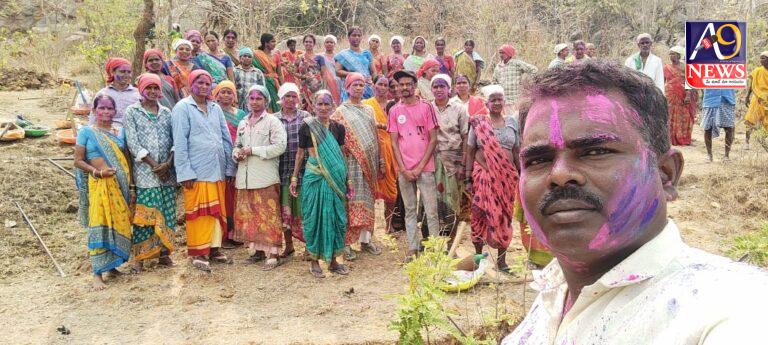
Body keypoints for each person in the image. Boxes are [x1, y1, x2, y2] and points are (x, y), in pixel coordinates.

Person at [503, 59, 768, 344]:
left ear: (666, 174)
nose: (559, 175)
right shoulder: (553, 292)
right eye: (539, 159)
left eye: (595, 152)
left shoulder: (732, 308)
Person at [172, 70, 235, 272]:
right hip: (196, 172)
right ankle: (199, 252)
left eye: (208, 83)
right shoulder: (183, 107)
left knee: (217, 211)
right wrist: (185, 172)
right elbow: (180, 143)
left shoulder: (215, 107)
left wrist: (229, 167)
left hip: (217, 169)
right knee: (199, 214)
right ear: (191, 84)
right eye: (200, 82)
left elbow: (226, 137)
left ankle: (214, 249)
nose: (204, 86)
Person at [289, 90, 350, 278]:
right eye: (319, 104)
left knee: (335, 217)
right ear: (313, 106)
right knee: (313, 217)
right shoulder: (307, 126)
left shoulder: (339, 128)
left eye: (327, 104)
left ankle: (332, 261)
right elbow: (300, 153)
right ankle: (314, 260)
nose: (323, 108)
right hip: (314, 175)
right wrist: (293, 177)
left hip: (335, 177)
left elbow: (340, 154)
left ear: (333, 106)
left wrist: (347, 179)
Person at [74, 94, 131, 290]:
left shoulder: (120, 131)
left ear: (115, 111)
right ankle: (97, 274)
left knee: (118, 223)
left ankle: (113, 266)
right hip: (99, 184)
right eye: (101, 108)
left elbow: (125, 158)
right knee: (99, 224)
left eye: (109, 108)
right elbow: (78, 161)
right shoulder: (87, 132)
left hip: (119, 184)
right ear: (94, 111)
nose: (105, 112)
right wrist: (98, 172)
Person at [123, 74, 176, 272]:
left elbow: (174, 140)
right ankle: (140, 257)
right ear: (141, 90)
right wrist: (156, 165)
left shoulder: (166, 113)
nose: (153, 92)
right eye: (149, 88)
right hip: (146, 173)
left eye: (156, 88)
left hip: (167, 173)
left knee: (167, 214)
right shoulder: (132, 112)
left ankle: (164, 254)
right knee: (145, 217)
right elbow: (133, 143)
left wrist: (168, 164)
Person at [232, 85, 288, 270]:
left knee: (268, 216)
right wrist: (236, 153)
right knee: (250, 216)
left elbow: (279, 147)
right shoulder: (243, 122)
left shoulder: (272, 121)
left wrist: (252, 151)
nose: (255, 102)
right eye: (252, 98)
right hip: (245, 178)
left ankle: (273, 254)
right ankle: (256, 252)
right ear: (247, 101)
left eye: (259, 98)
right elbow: (237, 144)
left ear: (266, 101)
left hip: (265, 178)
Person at [465, 85, 519, 272]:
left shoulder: (512, 122)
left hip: (506, 179)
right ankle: (479, 259)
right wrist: (467, 177)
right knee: (479, 216)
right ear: (487, 103)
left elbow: (516, 151)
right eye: (493, 100)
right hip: (483, 176)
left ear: (504, 102)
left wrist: (520, 174)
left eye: (500, 99)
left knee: (505, 216)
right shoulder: (479, 124)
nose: (496, 102)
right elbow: (470, 151)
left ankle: (502, 262)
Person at [389, 70, 440, 261]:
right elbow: (394, 142)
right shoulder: (395, 110)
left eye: (408, 84)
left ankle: (434, 249)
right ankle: (413, 248)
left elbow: (433, 140)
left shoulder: (426, 107)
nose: (404, 87)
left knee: (431, 209)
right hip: (405, 170)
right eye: (400, 84)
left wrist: (419, 167)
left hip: (425, 168)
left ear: (414, 85)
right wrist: (403, 169)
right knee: (409, 210)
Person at [331, 72, 382, 259]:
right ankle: (346, 244)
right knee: (350, 202)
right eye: (355, 85)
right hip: (350, 163)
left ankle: (366, 240)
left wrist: (381, 160)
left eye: (361, 85)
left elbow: (375, 137)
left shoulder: (369, 110)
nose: (359, 88)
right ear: (347, 88)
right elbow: (336, 142)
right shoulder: (340, 112)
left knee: (368, 201)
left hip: (369, 164)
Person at [430, 74, 469, 241]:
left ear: (449, 89)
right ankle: (436, 235)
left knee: (452, 198)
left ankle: (451, 235)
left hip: (453, 160)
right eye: (436, 87)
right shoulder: (427, 108)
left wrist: (464, 164)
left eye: (442, 86)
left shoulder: (459, 109)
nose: (439, 90)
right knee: (433, 197)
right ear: (431, 89)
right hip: (432, 160)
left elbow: (466, 136)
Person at [275, 83, 311, 257]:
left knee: (305, 209)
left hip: (303, 171)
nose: (290, 100)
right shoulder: (273, 119)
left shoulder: (306, 117)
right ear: (280, 99)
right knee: (285, 209)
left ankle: (308, 246)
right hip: (281, 170)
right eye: (286, 96)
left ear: (298, 99)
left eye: (293, 96)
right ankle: (288, 245)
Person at [213, 80, 247, 247]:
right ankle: (224, 235)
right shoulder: (212, 111)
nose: (225, 95)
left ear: (234, 96)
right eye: (222, 92)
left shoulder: (241, 115)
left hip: (238, 158)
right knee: (222, 197)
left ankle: (237, 233)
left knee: (237, 196)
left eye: (229, 92)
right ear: (216, 94)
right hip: (219, 158)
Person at [363, 76, 399, 232]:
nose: (383, 87)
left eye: (386, 85)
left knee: (392, 192)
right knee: (370, 190)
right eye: (380, 84)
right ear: (373, 85)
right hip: (372, 151)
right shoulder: (366, 105)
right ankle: (368, 229)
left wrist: (382, 126)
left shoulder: (395, 106)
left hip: (392, 151)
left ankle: (388, 224)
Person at [295, 34, 341, 110]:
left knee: (319, 107)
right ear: (303, 43)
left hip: (317, 87)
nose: (308, 43)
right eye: (306, 42)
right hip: (304, 88)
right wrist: (304, 77)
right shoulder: (299, 57)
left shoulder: (319, 58)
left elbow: (324, 74)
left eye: (310, 42)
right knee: (305, 108)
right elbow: (294, 72)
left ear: (314, 44)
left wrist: (324, 89)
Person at [91, 57, 141, 127]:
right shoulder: (102, 94)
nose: (126, 75)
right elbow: (93, 120)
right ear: (112, 72)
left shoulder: (138, 94)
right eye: (122, 71)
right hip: (108, 133)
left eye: (129, 72)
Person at [664, 46, 697, 146]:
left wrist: (688, 95)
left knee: (685, 116)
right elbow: (662, 81)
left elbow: (689, 82)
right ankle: (671, 139)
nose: (671, 56)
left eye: (673, 54)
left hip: (683, 95)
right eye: (670, 54)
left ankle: (683, 138)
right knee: (670, 115)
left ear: (678, 56)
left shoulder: (685, 67)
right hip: (670, 94)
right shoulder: (666, 68)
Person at [335, 26, 377, 100]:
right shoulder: (343, 54)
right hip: (350, 88)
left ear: (361, 37)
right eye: (354, 35)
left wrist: (375, 83)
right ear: (348, 37)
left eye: (359, 35)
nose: (356, 37)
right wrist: (355, 75)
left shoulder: (367, 53)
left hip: (366, 88)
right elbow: (338, 72)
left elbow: (373, 72)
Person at [702, 88, 736, 162]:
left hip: (727, 100)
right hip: (710, 99)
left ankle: (726, 156)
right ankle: (709, 155)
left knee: (729, 128)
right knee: (707, 128)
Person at [744, 51, 768, 149]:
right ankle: (746, 142)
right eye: (760, 58)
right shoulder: (757, 70)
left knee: (766, 122)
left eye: (763, 58)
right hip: (757, 98)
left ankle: (763, 141)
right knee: (750, 120)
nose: (761, 60)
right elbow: (751, 84)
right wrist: (747, 96)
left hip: (767, 100)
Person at [253, 33, 282, 112]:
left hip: (274, 84)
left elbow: (279, 73)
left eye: (275, 41)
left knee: (276, 104)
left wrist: (282, 86)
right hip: (261, 83)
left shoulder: (276, 55)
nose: (274, 44)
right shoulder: (256, 55)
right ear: (266, 43)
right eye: (272, 41)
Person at [233, 47, 265, 111]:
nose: (247, 58)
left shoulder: (258, 72)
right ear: (240, 58)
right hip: (238, 104)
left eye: (249, 56)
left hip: (253, 103)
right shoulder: (235, 71)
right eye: (244, 56)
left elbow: (262, 89)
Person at [323, 35, 346, 104]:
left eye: (331, 42)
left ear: (334, 44)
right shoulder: (319, 56)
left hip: (338, 84)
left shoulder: (339, 57)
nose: (329, 44)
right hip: (325, 84)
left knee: (338, 103)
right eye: (327, 42)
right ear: (324, 44)